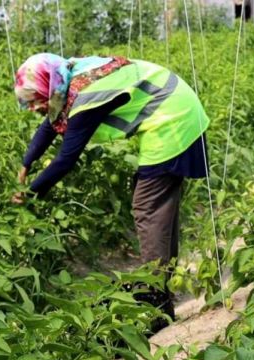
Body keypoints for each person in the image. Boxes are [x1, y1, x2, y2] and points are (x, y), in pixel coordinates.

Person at [12, 53, 210, 331]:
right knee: (159, 209)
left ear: (48, 87)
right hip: (178, 111)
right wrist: (26, 163)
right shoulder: (68, 80)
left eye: (34, 100)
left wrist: (30, 194)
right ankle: (162, 294)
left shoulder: (85, 97)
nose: (32, 108)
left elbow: (65, 159)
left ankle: (155, 304)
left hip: (172, 121)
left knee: (148, 208)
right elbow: (50, 125)